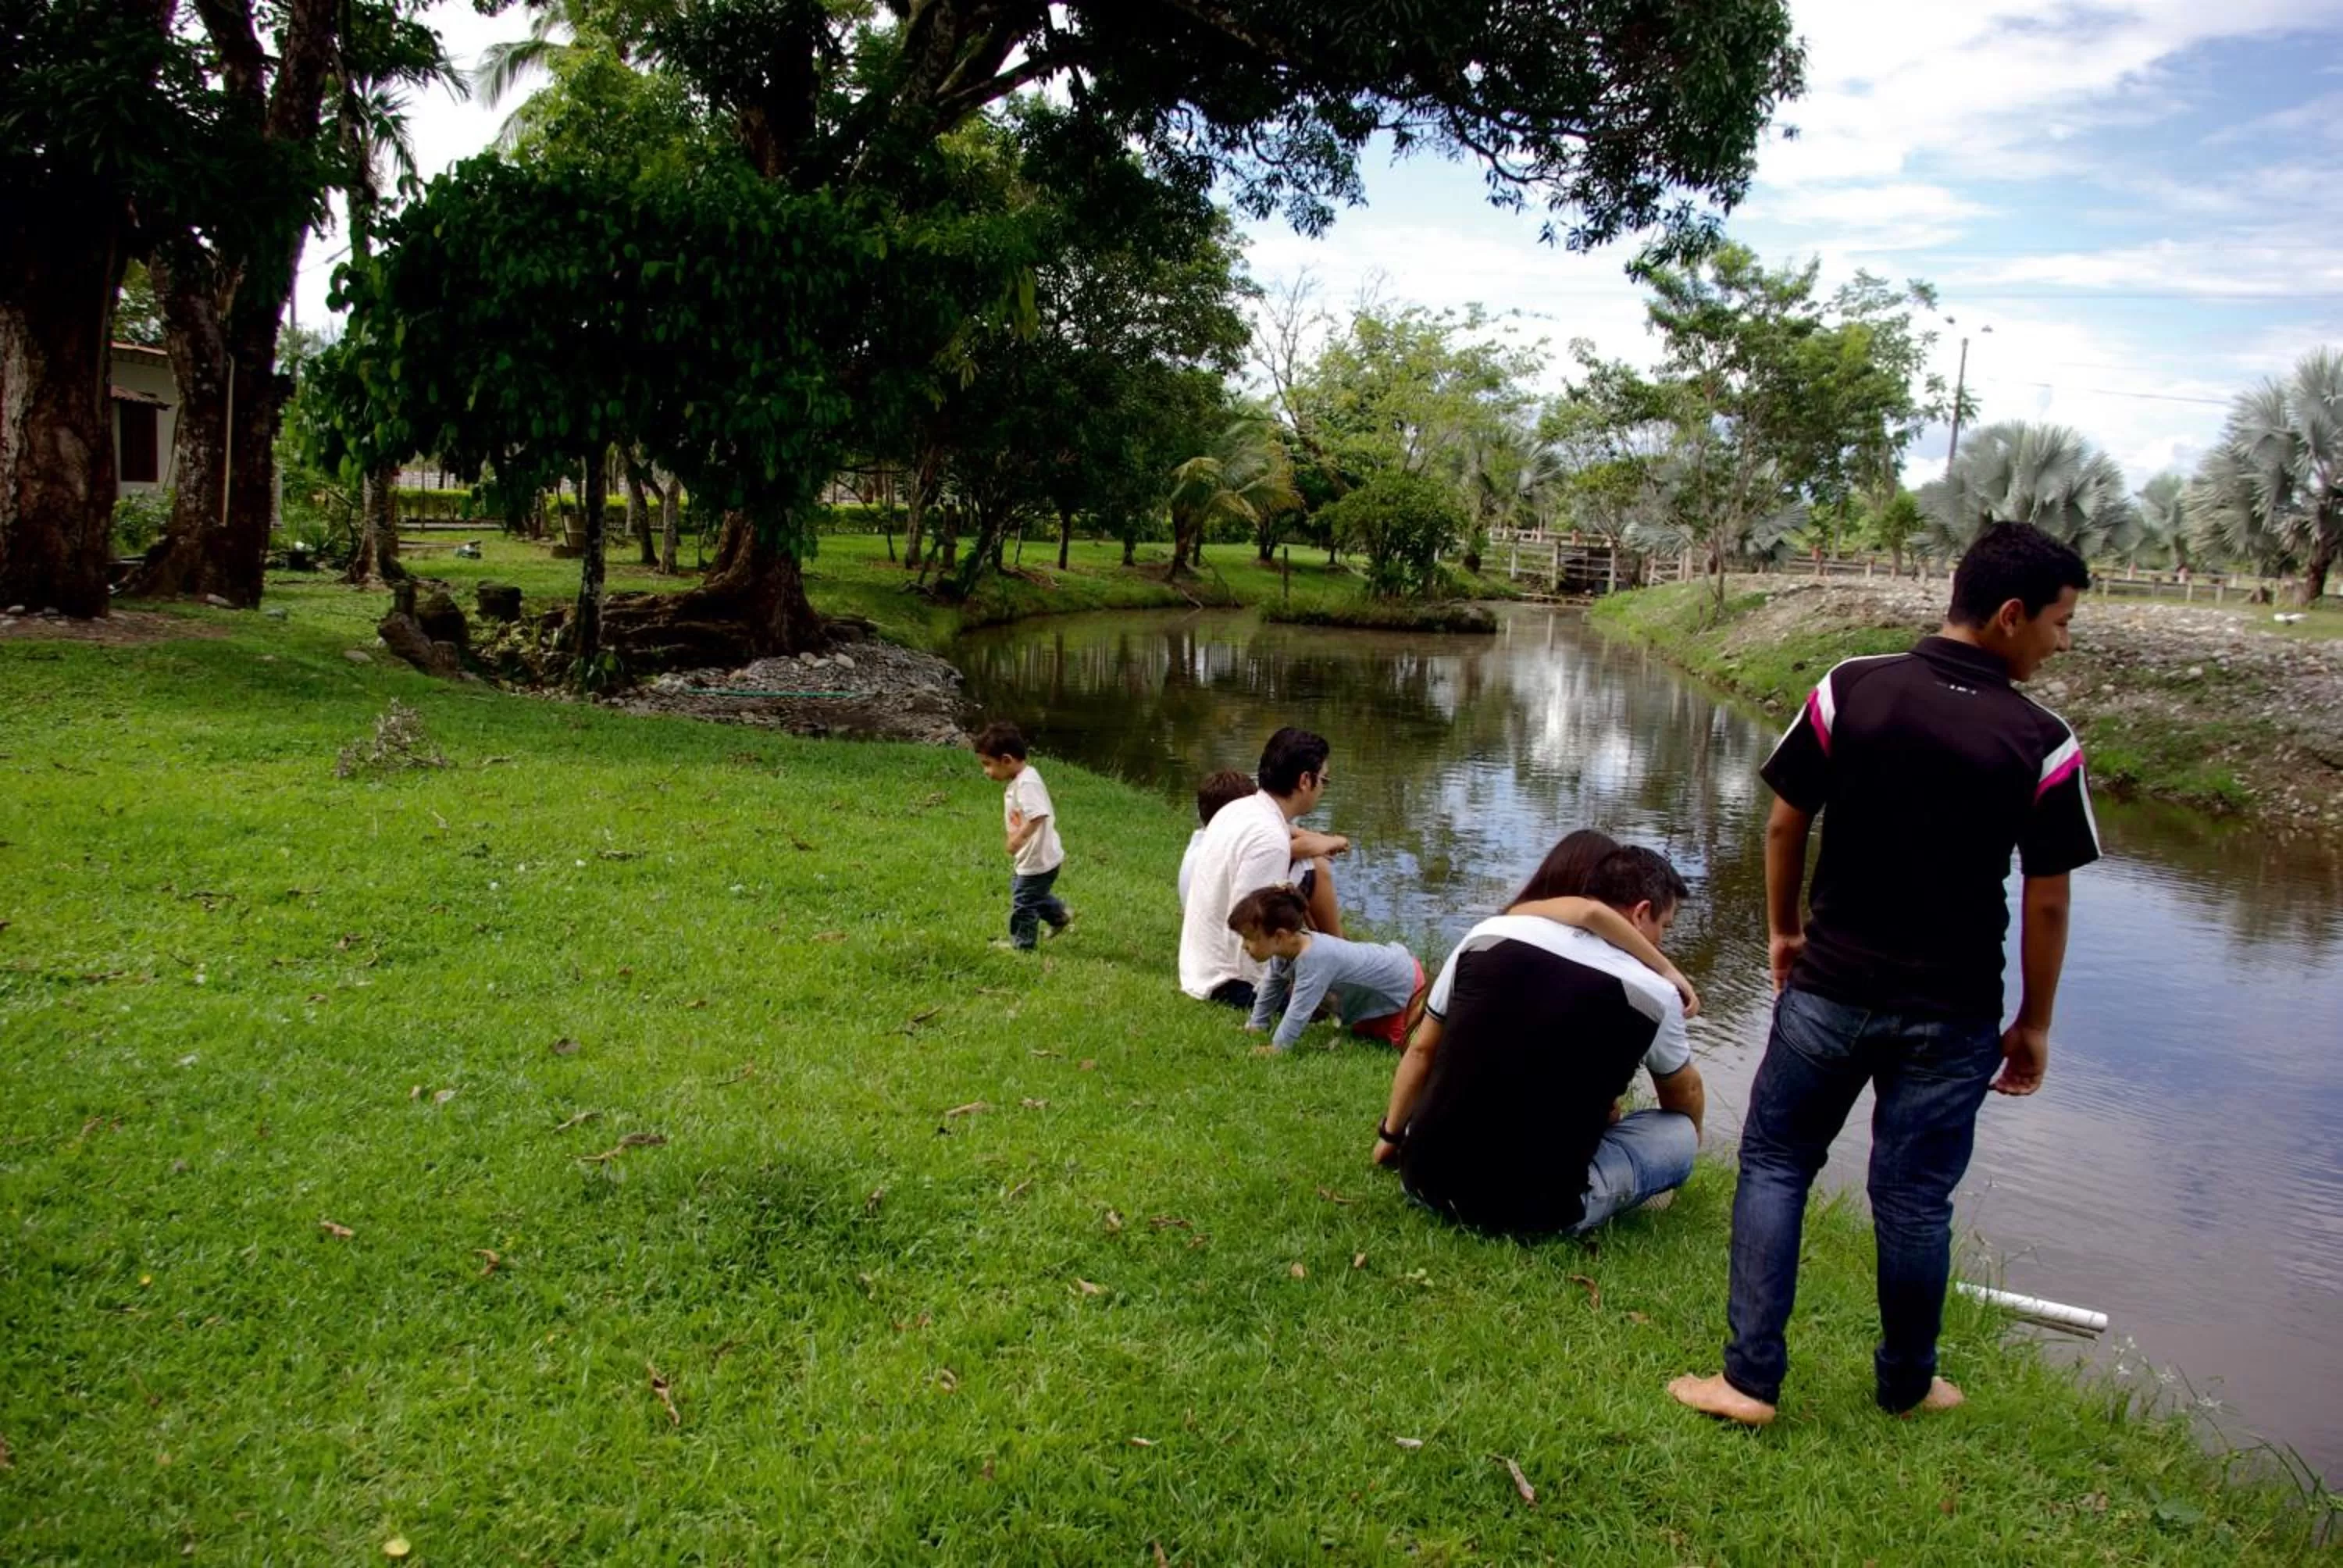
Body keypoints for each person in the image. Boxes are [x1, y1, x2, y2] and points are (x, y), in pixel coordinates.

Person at [1670, 522, 2099, 1428]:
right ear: (2010, 615)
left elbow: (1787, 823)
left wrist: (1785, 931)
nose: (2063, 644)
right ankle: (1908, 1382)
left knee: (1778, 1164)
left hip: (1830, 986)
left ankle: (1748, 1382)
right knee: (1913, 1198)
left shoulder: (1852, 688)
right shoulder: (2042, 740)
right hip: (1952, 1012)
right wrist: (2034, 1021)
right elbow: (2049, 900)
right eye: (2059, 624)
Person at [1372, 845, 1707, 1238]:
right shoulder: (1655, 990)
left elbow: (1423, 1050)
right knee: (1678, 1134)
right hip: (1539, 1214)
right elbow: (1684, 1092)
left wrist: (1391, 1138)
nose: (1662, 942)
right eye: (1664, 927)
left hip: (1424, 1181)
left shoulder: (1488, 934)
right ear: (1641, 912)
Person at [1178, 728, 1336, 1007]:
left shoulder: (1237, 810)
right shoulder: (1270, 839)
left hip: (1197, 966)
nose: (1324, 789)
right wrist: (1279, 990)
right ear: (1304, 781)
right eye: (1324, 780)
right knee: (1333, 1005)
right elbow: (1251, 926)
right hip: (1228, 983)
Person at [1228, 886, 1424, 1051]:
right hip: (1383, 978)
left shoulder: (1316, 958)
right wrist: (1257, 1024)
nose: (1244, 946)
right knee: (1363, 1033)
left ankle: (1409, 1015)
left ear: (1279, 936)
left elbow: (1299, 1011)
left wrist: (1278, 1048)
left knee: (1394, 1042)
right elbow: (1271, 986)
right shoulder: (1285, 950)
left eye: (1250, 938)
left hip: (1402, 980)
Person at [1179, 768, 1350, 937]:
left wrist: (1324, 840)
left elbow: (1293, 831)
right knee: (1315, 866)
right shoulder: (1254, 848)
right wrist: (1335, 841)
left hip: (1207, 932)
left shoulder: (1206, 839)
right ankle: (1339, 947)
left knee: (1297, 869)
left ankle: (1319, 938)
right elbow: (1300, 847)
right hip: (1233, 937)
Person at [972, 721, 1070, 951]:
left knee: (1023, 902)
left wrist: (1018, 839)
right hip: (1036, 856)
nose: (986, 771)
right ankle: (1059, 914)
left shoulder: (1027, 784)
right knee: (1027, 893)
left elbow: (1038, 816)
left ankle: (1023, 946)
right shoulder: (1022, 778)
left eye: (988, 764)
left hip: (1038, 858)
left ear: (1007, 760)